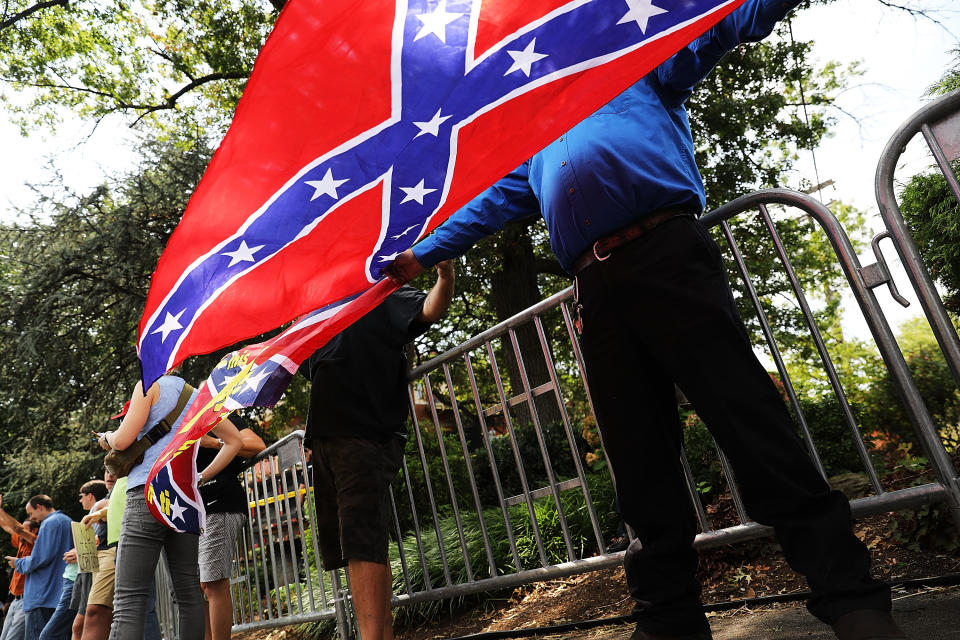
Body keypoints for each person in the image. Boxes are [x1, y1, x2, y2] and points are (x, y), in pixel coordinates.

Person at [386, 2, 904, 639]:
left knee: (749, 422)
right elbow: (489, 202)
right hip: (594, 287)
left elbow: (717, 21)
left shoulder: (632, 62)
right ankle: (667, 620)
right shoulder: (534, 134)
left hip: (667, 254)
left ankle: (851, 598)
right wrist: (423, 252)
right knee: (637, 457)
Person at [302, 260, 454, 640]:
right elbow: (303, 364)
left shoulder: (378, 292)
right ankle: (380, 635)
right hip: (325, 441)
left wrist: (445, 276)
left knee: (360, 542)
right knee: (358, 545)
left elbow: (429, 309)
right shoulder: (318, 311)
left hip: (362, 433)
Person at [97, 373, 244, 640]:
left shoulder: (148, 385)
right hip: (185, 499)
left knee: (129, 599)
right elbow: (235, 441)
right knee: (188, 593)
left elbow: (121, 441)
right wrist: (201, 477)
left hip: (147, 493)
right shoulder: (201, 396)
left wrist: (106, 437)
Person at [196, 413, 266, 640]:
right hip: (190, 511)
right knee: (194, 588)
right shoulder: (177, 424)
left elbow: (256, 445)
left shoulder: (219, 416)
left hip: (219, 503)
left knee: (212, 583)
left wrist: (214, 442)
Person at [39, 481, 108, 640]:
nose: (80, 500)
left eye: (81, 496)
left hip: (81, 579)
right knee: (77, 628)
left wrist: (80, 552)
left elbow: (102, 545)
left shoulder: (99, 515)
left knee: (51, 634)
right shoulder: (93, 515)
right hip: (77, 579)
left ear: (89, 496)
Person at [4, 496, 73, 639]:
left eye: (31, 513)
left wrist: (18, 563)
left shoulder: (49, 523)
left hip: (41, 595)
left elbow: (40, 558)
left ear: (40, 507)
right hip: (59, 593)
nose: (32, 518)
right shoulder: (68, 521)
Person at [0, 496, 38, 640]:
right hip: (15, 600)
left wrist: (1, 509)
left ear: (33, 531)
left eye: (24, 527)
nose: (19, 531)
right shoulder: (21, 542)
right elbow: (8, 527)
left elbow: (17, 528)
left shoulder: (34, 541)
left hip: (26, 599)